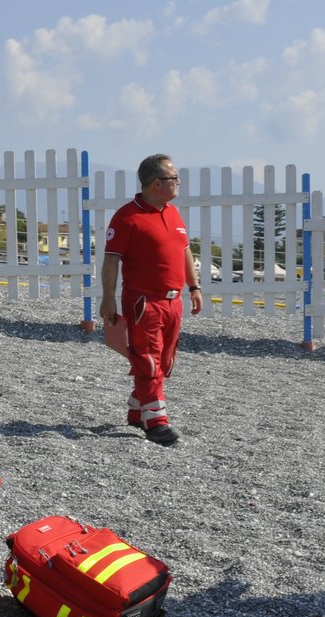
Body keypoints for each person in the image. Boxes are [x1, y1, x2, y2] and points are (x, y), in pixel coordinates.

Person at [99, 153, 203, 447]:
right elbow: (111, 260)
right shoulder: (127, 216)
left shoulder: (172, 213)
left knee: (165, 361)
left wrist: (194, 286)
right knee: (148, 360)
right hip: (144, 303)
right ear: (157, 183)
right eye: (174, 178)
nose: (178, 182)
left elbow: (184, 251)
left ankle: (137, 410)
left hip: (174, 302)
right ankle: (156, 422)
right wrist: (108, 298)